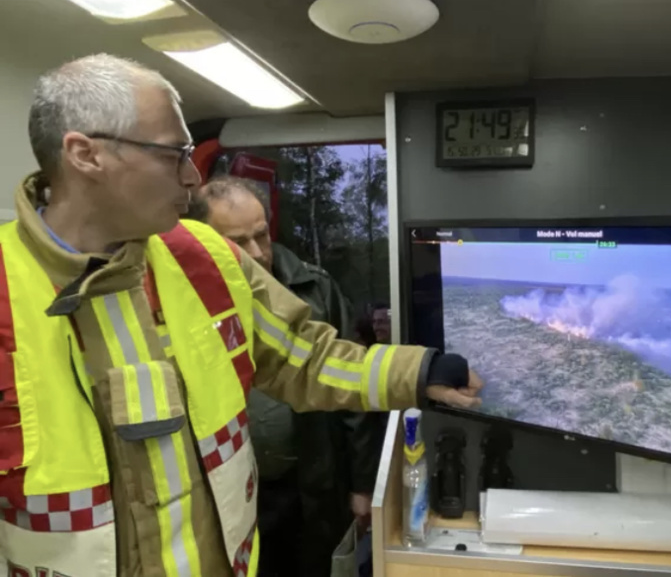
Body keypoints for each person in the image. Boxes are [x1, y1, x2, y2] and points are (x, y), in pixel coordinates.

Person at [0, 54, 482, 577]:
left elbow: (307, 357)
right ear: (84, 154)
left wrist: (420, 372)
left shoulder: (204, 257)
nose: (191, 177)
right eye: (173, 154)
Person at [187, 176, 387, 577]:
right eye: (238, 242)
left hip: (309, 483)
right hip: (231, 492)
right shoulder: (183, 301)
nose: (257, 253)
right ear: (203, 242)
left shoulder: (315, 288)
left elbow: (353, 395)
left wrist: (364, 486)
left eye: (261, 234)